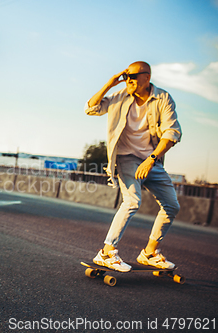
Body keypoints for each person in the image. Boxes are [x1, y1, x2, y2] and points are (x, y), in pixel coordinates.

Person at [85, 61, 182, 272]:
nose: (128, 80)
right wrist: (109, 85)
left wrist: (151, 159)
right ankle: (107, 252)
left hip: (151, 159)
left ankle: (149, 253)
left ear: (146, 77)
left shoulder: (163, 98)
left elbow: (172, 133)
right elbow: (91, 108)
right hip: (126, 158)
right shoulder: (120, 96)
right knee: (132, 201)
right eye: (126, 76)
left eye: (133, 76)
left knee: (172, 206)